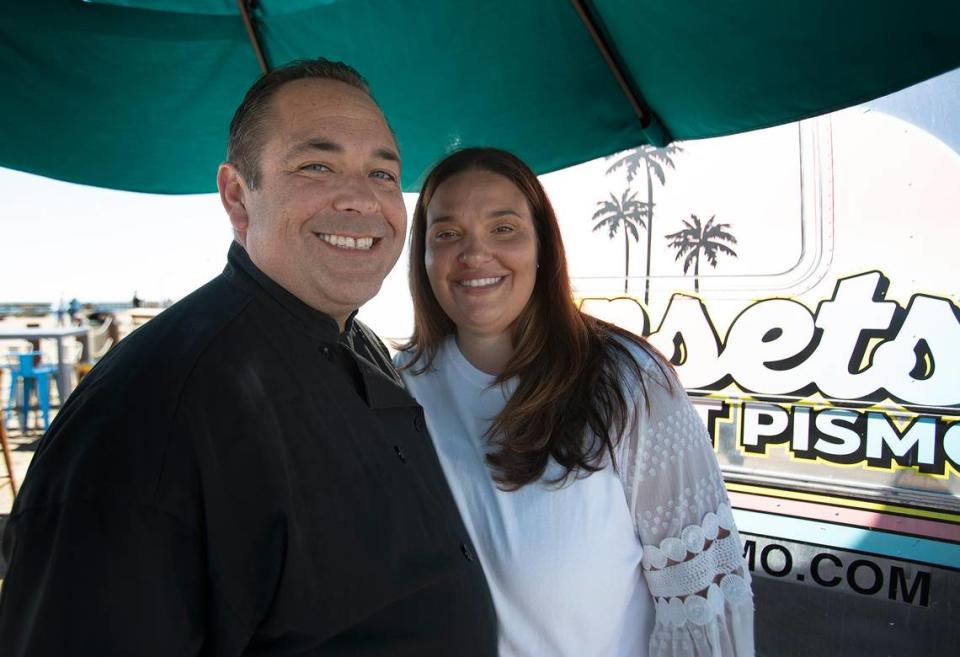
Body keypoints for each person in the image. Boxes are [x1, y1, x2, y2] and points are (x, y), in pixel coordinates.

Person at [0, 60, 496, 656]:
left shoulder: (358, 345)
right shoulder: (148, 413)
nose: (364, 199)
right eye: (317, 165)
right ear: (238, 197)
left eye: (383, 173)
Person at [395, 148, 755, 657]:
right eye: (447, 233)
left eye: (504, 228)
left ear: (543, 246)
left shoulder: (629, 382)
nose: (474, 254)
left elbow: (705, 604)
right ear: (424, 258)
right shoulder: (401, 388)